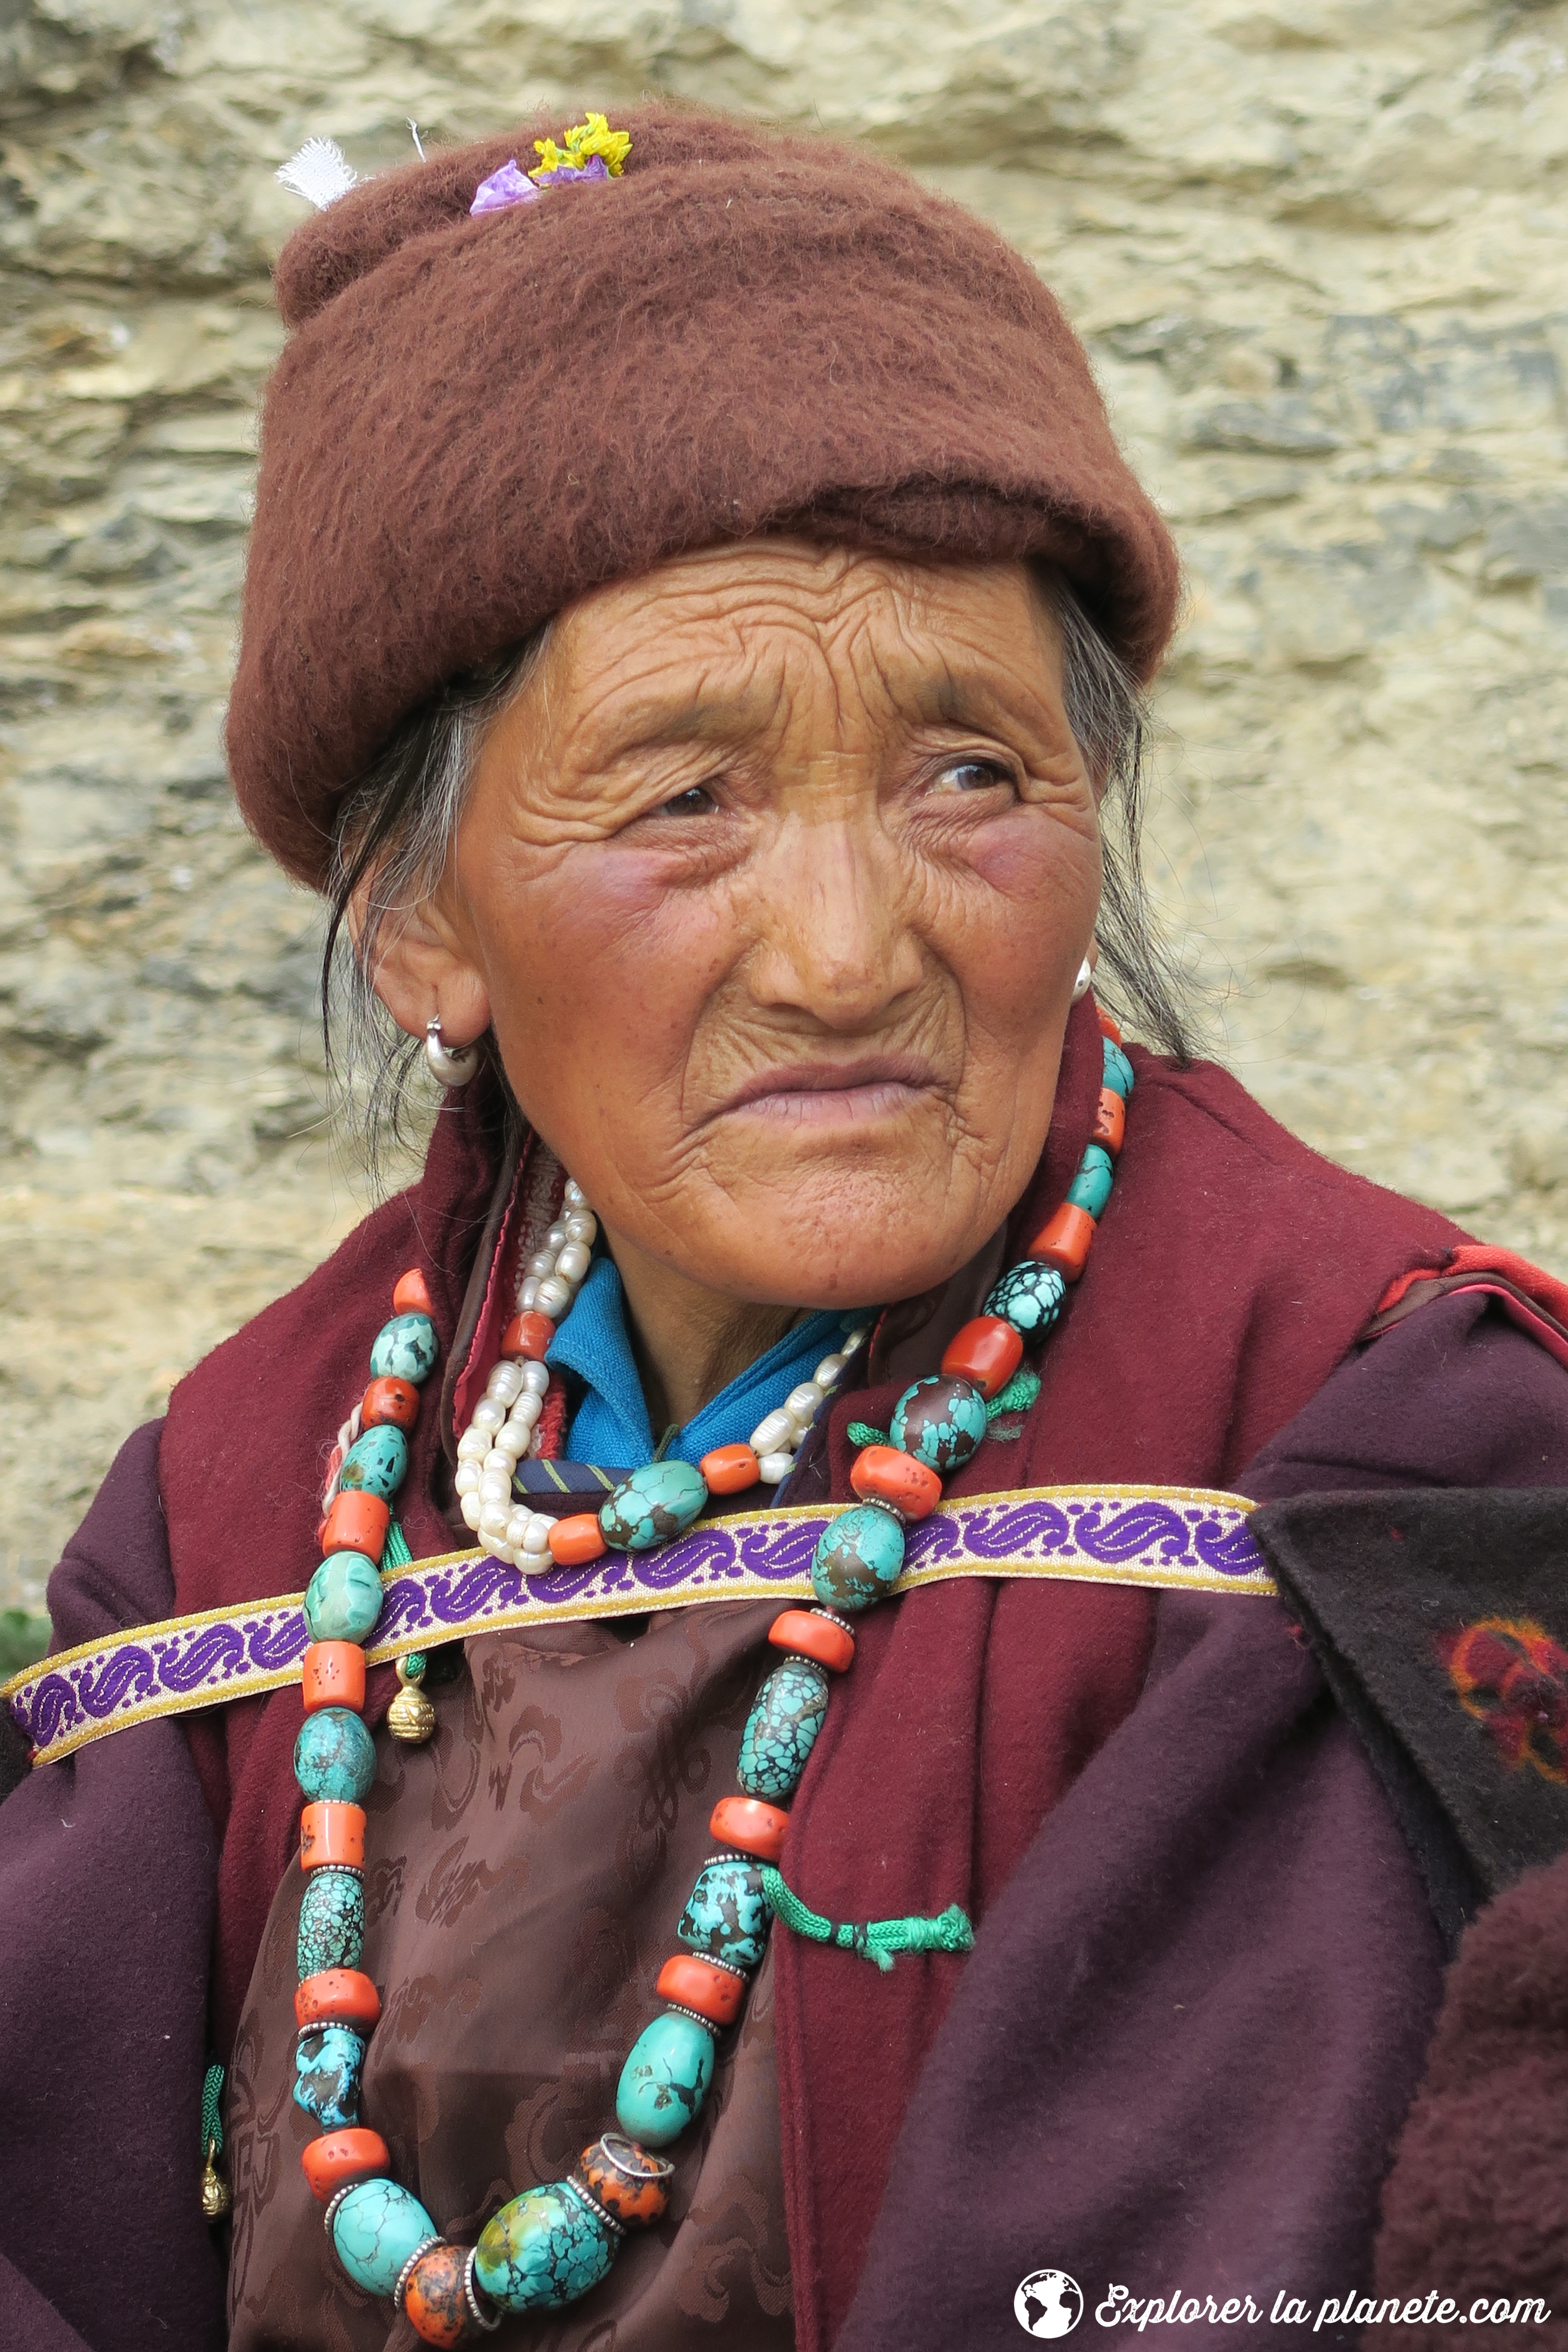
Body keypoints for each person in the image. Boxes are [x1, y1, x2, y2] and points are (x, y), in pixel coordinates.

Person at [4, 104, 1568, 2352]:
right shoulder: (239, 1513)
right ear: (422, 929)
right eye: (684, 798)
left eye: (971, 774)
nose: (848, 950)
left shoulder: (1380, 1441)